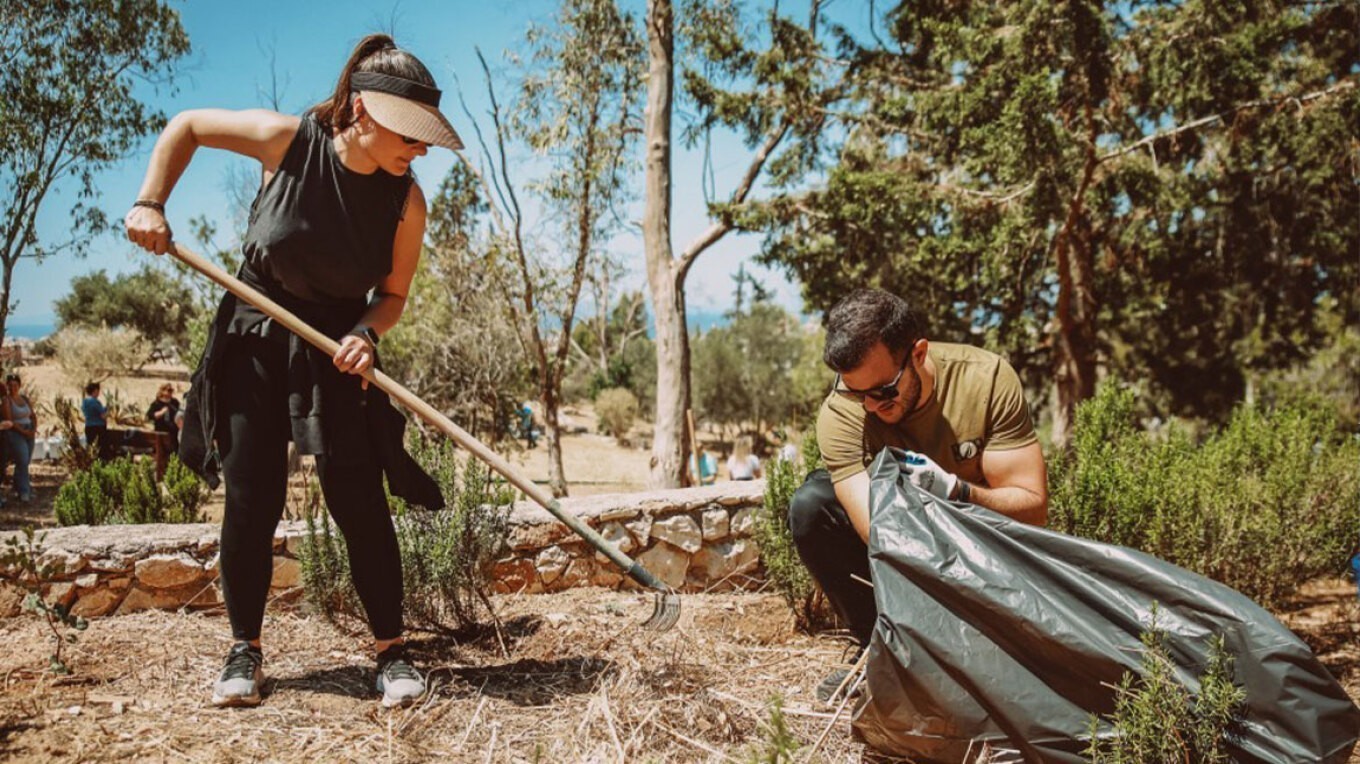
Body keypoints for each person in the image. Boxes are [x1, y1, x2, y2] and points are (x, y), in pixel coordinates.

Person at [124, 34, 458, 710]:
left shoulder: (406, 203)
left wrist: (367, 331)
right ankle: (244, 648)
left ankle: (391, 653)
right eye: (411, 135)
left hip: (336, 349)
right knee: (251, 496)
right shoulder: (289, 142)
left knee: (359, 500)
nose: (420, 151)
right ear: (363, 110)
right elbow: (185, 126)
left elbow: (391, 297)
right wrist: (151, 202)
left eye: (426, 139)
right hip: (252, 333)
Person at [788, 289, 1048, 701]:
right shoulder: (841, 412)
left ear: (919, 353)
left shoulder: (985, 379)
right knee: (811, 507)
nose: (871, 407)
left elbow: (1032, 509)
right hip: (904, 546)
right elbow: (878, 537)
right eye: (858, 394)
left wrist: (957, 491)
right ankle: (879, 645)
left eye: (884, 390)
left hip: (981, 544)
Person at [1, 373, 37, 503]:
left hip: (29, 430)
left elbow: (32, 415)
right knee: (22, 460)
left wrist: (33, 429)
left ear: (19, 385)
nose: (13, 388)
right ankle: (24, 492)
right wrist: (23, 432)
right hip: (16, 432)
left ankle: (18, 486)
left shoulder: (24, 399)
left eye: (15, 385)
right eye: (10, 386)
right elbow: (10, 420)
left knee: (26, 461)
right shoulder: (6, 401)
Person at [146, 383, 181, 454]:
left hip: (173, 431)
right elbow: (149, 416)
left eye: (171, 390)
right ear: (162, 391)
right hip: (161, 430)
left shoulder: (175, 402)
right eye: (168, 390)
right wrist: (161, 412)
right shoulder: (156, 403)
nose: (169, 393)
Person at [82, 382, 109, 459]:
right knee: (100, 447)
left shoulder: (85, 402)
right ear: (95, 391)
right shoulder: (95, 402)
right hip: (98, 428)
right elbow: (103, 416)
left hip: (88, 426)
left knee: (90, 446)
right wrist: (108, 412)